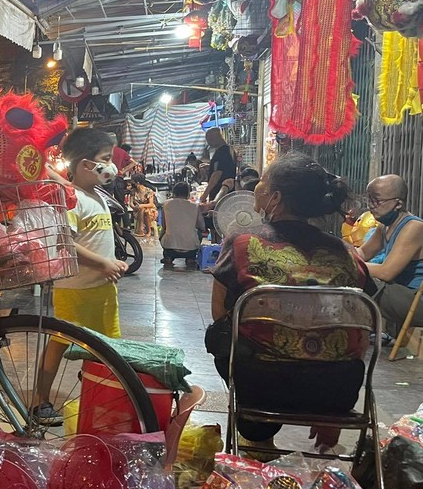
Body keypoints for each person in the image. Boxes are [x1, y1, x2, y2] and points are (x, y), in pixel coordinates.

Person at [206, 154, 375, 454]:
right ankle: (328, 422)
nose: (257, 186)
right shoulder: (349, 253)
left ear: (276, 197)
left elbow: (219, 313)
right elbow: (363, 326)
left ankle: (257, 438)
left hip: (261, 387)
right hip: (337, 391)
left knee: (224, 335)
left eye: (264, 181)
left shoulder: (242, 242)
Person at [33, 128, 129, 423]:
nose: (111, 166)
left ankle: (98, 397)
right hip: (75, 290)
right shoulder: (73, 200)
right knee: (59, 344)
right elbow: (66, 243)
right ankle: (40, 402)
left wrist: (111, 264)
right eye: (106, 159)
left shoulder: (95, 195)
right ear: (86, 164)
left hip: (102, 290)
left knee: (107, 346)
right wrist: (103, 263)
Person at [359, 174, 423, 339]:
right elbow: (363, 253)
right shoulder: (384, 227)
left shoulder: (414, 227)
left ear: (398, 203)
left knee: (356, 277)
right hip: (397, 294)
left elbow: (386, 272)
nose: (371, 206)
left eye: (377, 201)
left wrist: (349, 263)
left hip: (415, 301)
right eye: (369, 200)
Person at [161, 182, 205, 268]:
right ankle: (191, 258)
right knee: (199, 232)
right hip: (191, 249)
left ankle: (168, 256)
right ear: (188, 194)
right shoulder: (195, 206)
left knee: (163, 232)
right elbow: (202, 226)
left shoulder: (166, 204)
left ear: (174, 193)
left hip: (170, 247)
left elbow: (164, 225)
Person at [201, 128, 237, 203]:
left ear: (214, 138)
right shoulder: (230, 149)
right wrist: (209, 166)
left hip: (219, 194)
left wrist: (205, 194)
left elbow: (217, 174)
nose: (208, 143)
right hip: (229, 193)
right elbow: (226, 167)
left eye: (209, 140)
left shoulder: (222, 153)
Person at [129, 173, 157, 237]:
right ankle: (143, 230)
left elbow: (151, 204)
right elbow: (131, 204)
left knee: (145, 211)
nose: (131, 183)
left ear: (137, 182)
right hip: (137, 210)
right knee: (142, 210)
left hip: (150, 210)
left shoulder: (148, 191)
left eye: (132, 181)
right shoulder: (133, 191)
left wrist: (142, 205)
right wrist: (135, 207)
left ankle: (142, 230)